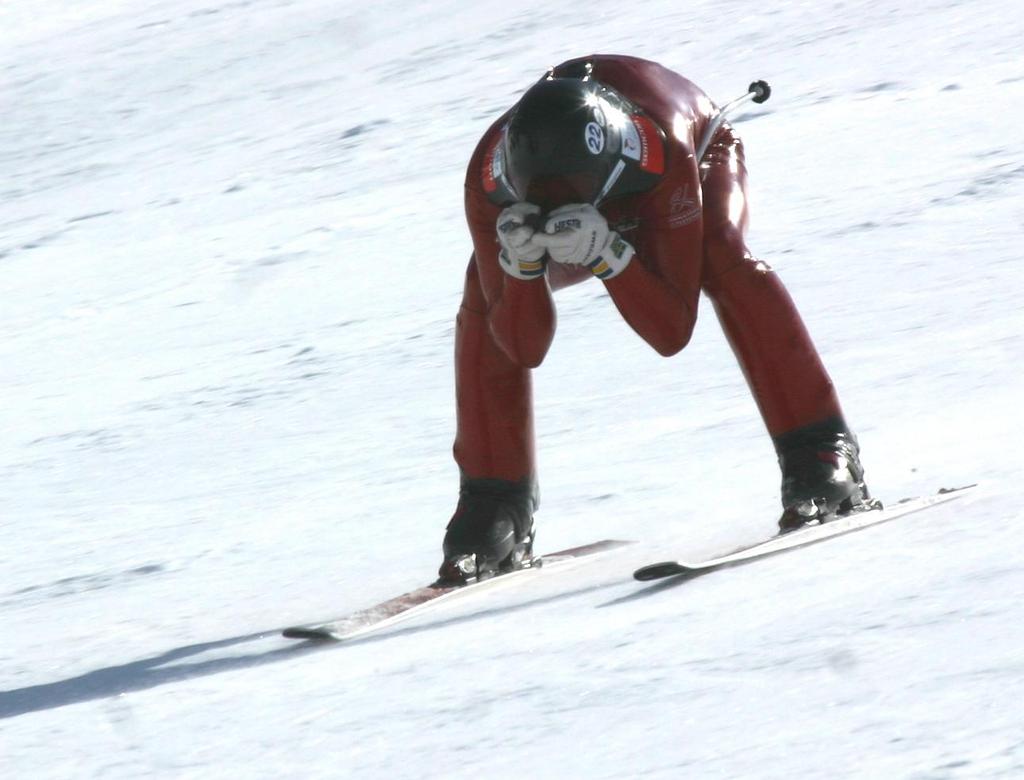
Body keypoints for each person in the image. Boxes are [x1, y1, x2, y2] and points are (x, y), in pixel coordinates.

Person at [439, 54, 874, 583]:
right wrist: (524, 267)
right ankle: (495, 501)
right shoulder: (486, 181)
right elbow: (522, 346)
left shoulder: (658, 150)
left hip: (690, 157)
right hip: (611, 188)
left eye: (571, 189)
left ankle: (823, 450)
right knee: (486, 298)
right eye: (543, 197)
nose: (556, 206)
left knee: (721, 254)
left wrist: (609, 256)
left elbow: (671, 330)